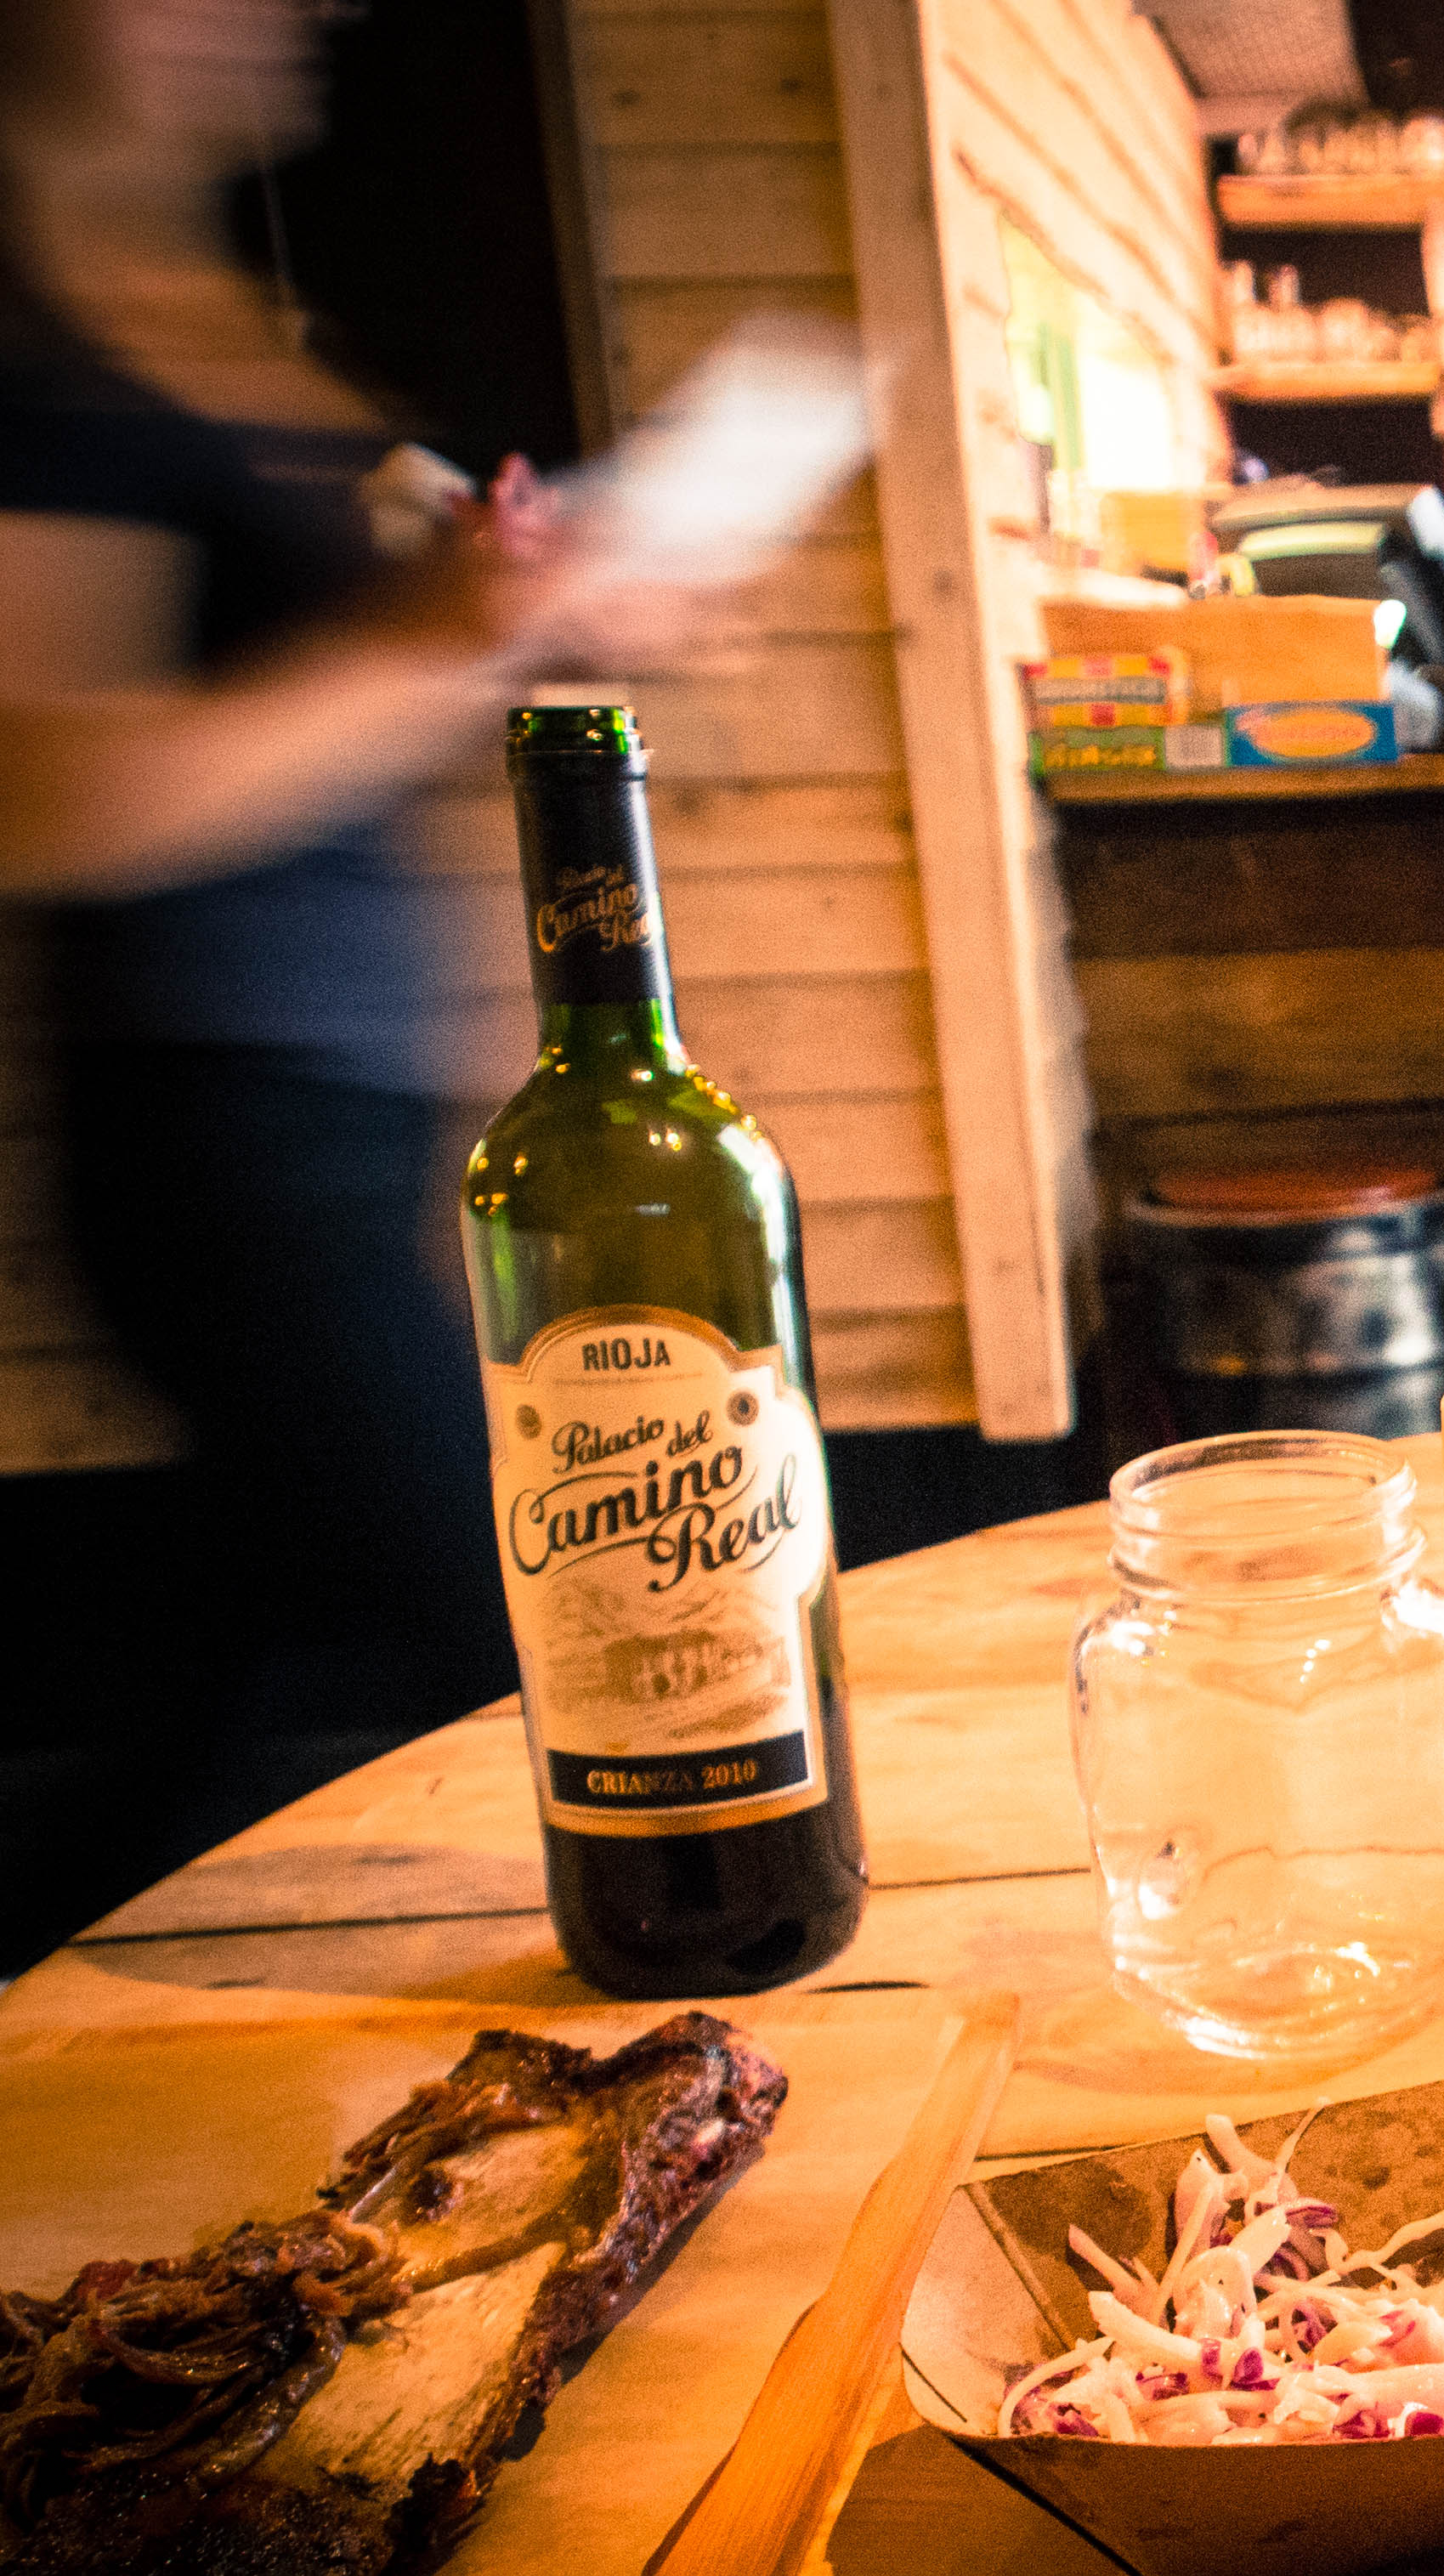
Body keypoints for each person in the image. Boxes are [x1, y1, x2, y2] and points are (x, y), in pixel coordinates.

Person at [0, 0, 697, 1927]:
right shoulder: (39, 351)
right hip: (217, 1137)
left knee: (229, 1680)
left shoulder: (210, 319)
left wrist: (546, 604)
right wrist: (443, 643)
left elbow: (408, 621)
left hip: (319, 1117)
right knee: (523, 1643)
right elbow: (47, 792)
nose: (296, 6)